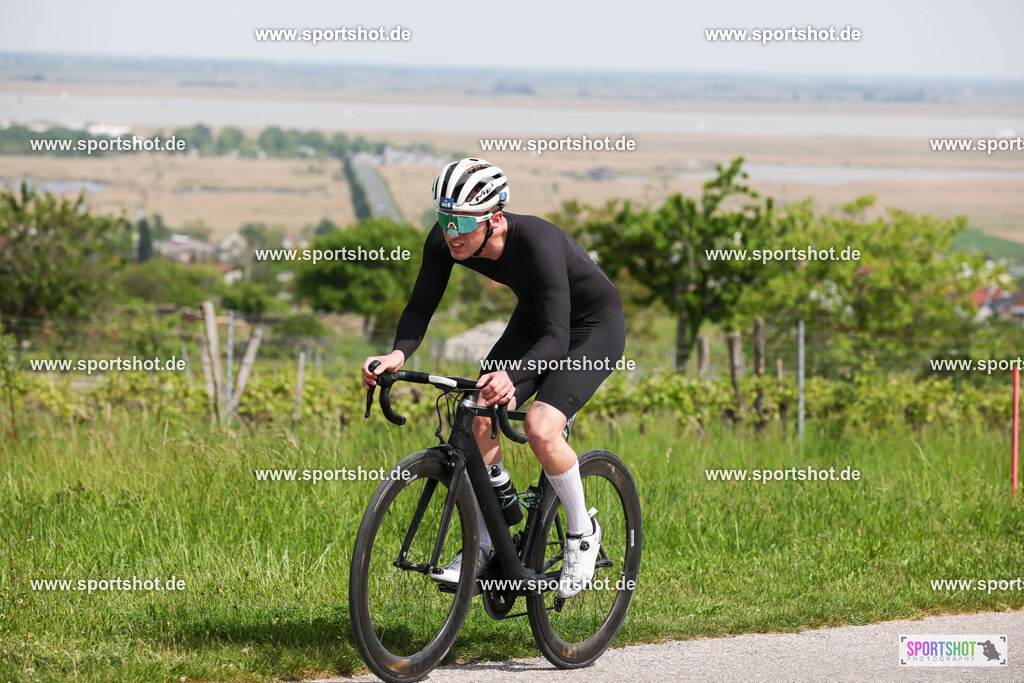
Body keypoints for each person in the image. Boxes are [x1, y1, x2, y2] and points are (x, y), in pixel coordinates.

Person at [361, 158, 625, 598]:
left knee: (541, 428)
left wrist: (513, 374)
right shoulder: (446, 240)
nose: (451, 232)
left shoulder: (538, 242)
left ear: (495, 219)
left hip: (591, 329)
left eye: (462, 221)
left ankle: (583, 533)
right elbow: (421, 306)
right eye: (444, 218)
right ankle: (484, 543)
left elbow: (558, 338)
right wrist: (396, 354)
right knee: (477, 412)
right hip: (536, 317)